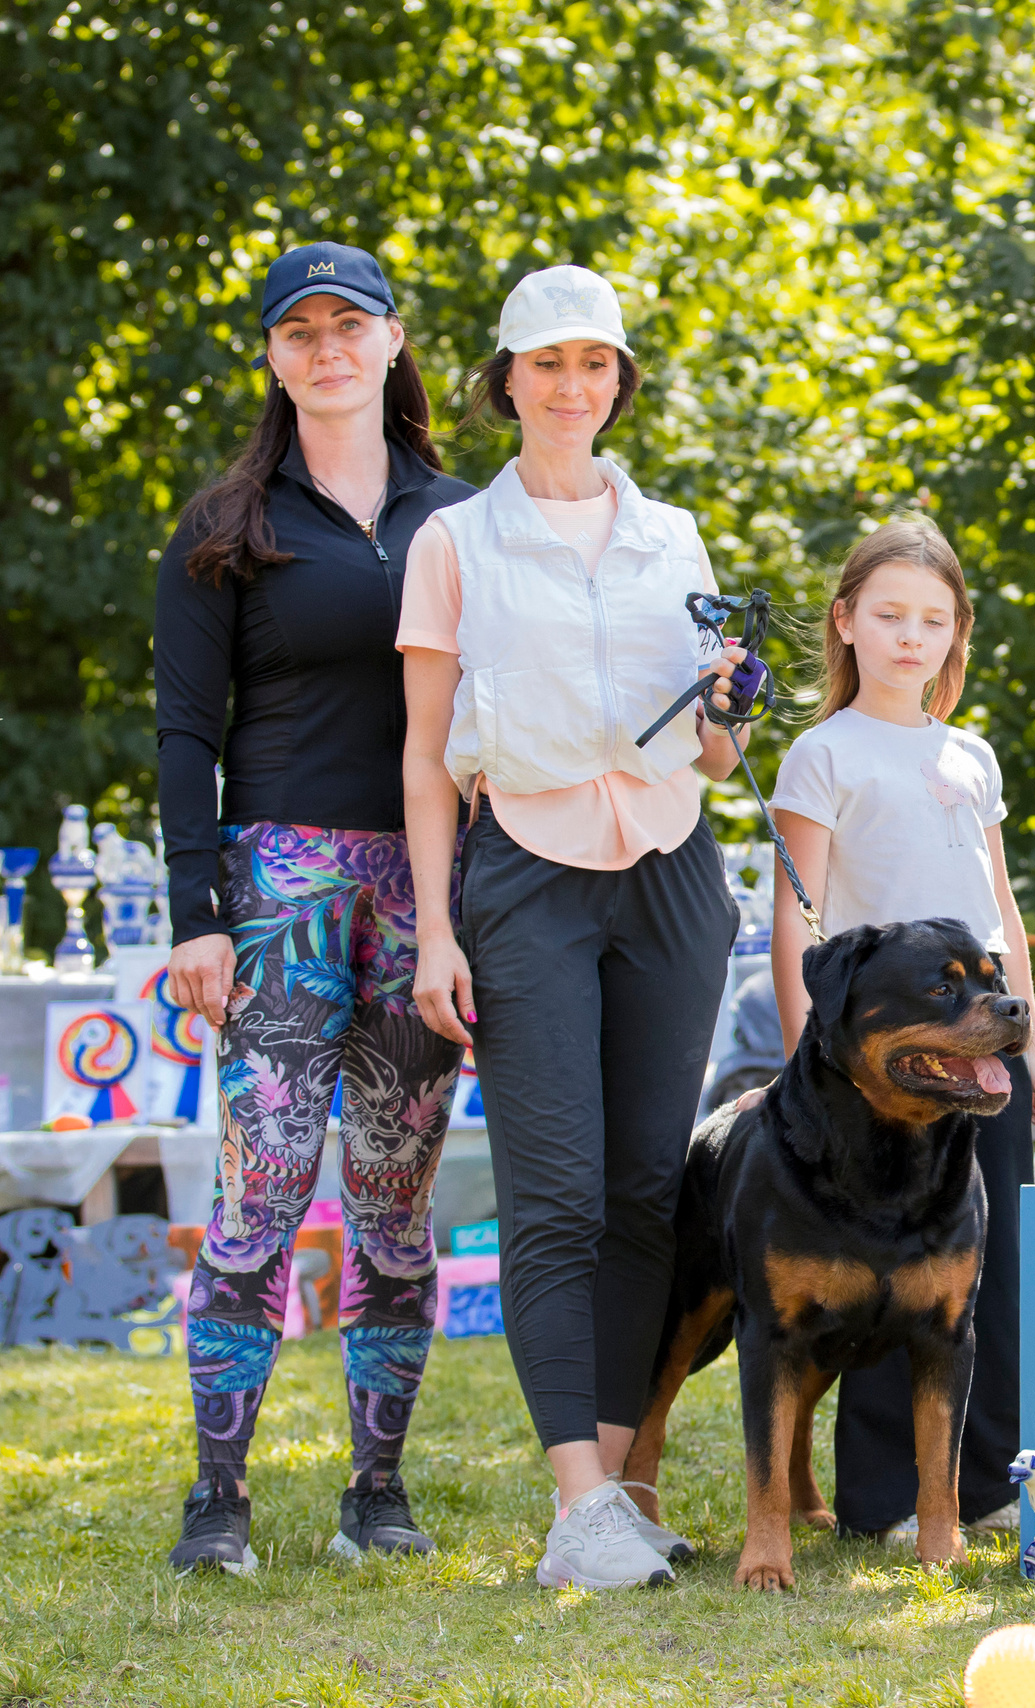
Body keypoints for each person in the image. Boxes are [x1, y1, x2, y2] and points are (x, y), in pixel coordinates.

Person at [398, 264, 747, 1591]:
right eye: (547, 364)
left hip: (672, 870)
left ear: (618, 384)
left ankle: (605, 1499)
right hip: (525, 875)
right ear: (506, 381)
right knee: (554, 1199)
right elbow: (428, 762)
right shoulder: (455, 544)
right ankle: (579, 1505)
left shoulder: (677, 536)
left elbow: (714, 755)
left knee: (646, 1192)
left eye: (594, 364)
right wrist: (437, 930)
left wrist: (728, 710)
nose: (570, 386)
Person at [155, 241, 477, 1574]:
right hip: (280, 889)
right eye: (300, 331)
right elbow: (185, 730)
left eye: (352, 325)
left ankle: (377, 1494)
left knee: (399, 1203)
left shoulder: (463, 519)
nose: (327, 348)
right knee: (264, 1189)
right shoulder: (229, 522)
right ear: (275, 358)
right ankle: (217, 1502)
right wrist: (198, 911)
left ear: (395, 343)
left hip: (428, 894)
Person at [765, 515, 1035, 1545]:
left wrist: (1032, 1047)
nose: (909, 636)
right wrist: (812, 1060)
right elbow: (794, 917)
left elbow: (1001, 914)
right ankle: (885, 1502)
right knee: (888, 1272)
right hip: (884, 1068)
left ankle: (982, 1485)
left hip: (985, 1057)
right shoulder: (821, 754)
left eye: (932, 620)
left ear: (956, 635)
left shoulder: (971, 756)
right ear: (845, 621)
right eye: (889, 614)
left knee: (987, 1268)